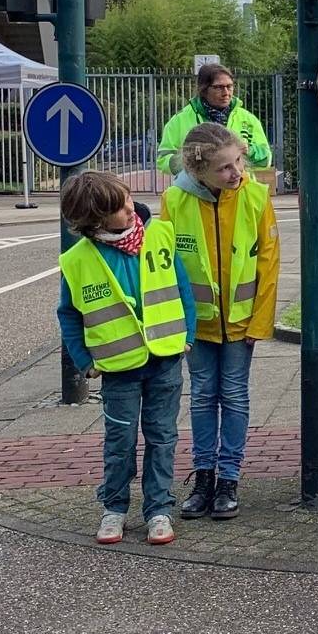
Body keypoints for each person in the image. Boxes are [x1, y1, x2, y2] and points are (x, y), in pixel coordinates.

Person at [56, 170, 195, 546]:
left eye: (128, 198)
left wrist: (189, 337)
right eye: (119, 206)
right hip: (118, 368)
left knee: (162, 436)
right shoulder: (77, 260)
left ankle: (159, 509)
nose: (129, 207)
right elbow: (68, 314)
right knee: (119, 440)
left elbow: (182, 288)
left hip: (165, 358)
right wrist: (84, 360)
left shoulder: (159, 235)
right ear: (96, 220)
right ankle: (114, 508)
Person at [164, 124, 278, 522]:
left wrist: (260, 322)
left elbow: (268, 262)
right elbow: (166, 269)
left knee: (234, 396)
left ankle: (229, 478)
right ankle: (204, 477)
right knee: (201, 396)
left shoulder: (255, 197)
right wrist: (177, 326)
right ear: (198, 172)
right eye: (224, 168)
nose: (236, 173)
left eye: (238, 163)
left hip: (240, 324)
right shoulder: (175, 200)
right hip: (197, 327)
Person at [158, 64, 272, 176]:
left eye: (230, 86)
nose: (226, 93)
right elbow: (162, 161)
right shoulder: (180, 120)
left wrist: (249, 151)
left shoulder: (248, 119)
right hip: (197, 192)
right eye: (218, 87)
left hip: (238, 191)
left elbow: (267, 159)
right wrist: (193, 159)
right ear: (203, 89)